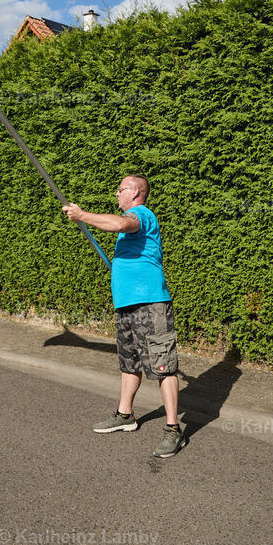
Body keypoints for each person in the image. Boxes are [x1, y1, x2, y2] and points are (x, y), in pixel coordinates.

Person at [62, 175, 183, 458]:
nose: (116, 194)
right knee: (129, 362)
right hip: (127, 304)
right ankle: (125, 415)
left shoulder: (142, 214)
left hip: (151, 304)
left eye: (121, 190)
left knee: (163, 366)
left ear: (136, 192)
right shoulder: (130, 224)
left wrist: (82, 215)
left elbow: (120, 223)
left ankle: (173, 429)